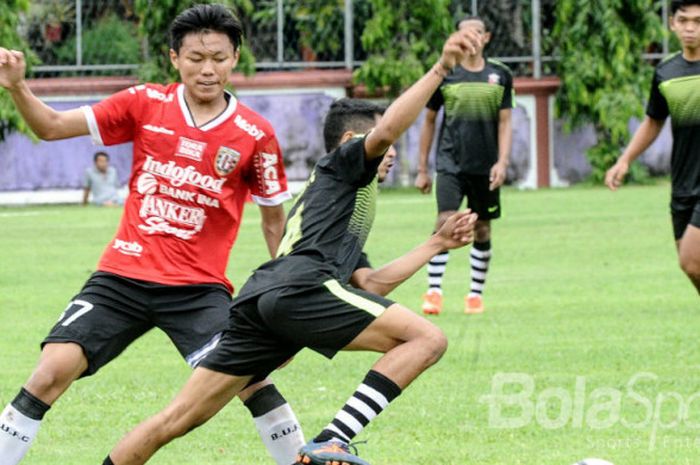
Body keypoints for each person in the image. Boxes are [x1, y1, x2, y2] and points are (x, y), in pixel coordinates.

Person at [98, 28, 482, 465]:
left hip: (265, 297)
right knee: (428, 339)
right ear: (351, 142)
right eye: (382, 143)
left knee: (177, 417)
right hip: (301, 288)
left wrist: (435, 244)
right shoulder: (346, 164)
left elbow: (370, 285)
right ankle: (333, 438)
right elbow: (390, 126)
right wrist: (441, 68)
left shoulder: (337, 203)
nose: (390, 150)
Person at [0, 5, 306, 465]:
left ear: (235, 59)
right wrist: (18, 86)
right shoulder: (144, 103)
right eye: (196, 57)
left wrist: (286, 301)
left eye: (219, 57)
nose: (208, 69)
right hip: (121, 277)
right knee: (49, 372)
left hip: (198, 290)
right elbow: (51, 126)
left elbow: (272, 221)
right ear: (174, 59)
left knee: (251, 378)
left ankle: (301, 459)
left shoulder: (255, 134)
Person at [415, 15, 514, 315]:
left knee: (482, 228)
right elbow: (429, 121)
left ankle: (475, 295)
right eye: (465, 33)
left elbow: (506, 122)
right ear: (457, 38)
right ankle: (433, 292)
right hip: (450, 164)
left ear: (486, 38)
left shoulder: (500, 75)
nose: (471, 38)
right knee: (445, 220)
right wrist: (422, 168)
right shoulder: (445, 74)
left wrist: (502, 162)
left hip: (485, 167)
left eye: (477, 33)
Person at [605, 0, 700, 295]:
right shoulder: (666, 72)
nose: (690, 28)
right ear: (672, 22)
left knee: (691, 260)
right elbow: (653, 122)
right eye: (683, 20)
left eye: (698, 21)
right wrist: (625, 160)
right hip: (683, 181)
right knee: (690, 266)